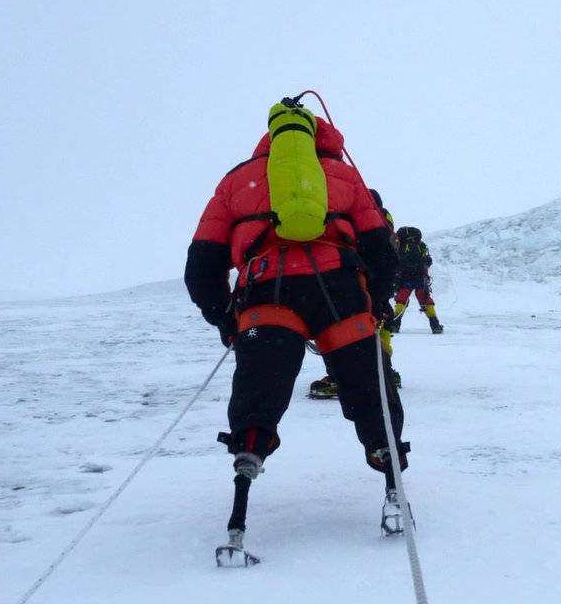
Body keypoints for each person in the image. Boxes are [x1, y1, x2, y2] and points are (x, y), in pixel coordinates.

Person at [185, 102, 410, 551]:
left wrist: (225, 316)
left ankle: (246, 468)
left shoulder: (238, 180)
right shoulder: (343, 176)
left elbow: (202, 263)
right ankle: (389, 469)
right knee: (368, 382)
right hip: (340, 289)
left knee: (260, 387)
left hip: (267, 290)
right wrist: (379, 301)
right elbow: (382, 249)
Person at [309, 189, 402, 399]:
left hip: (352, 283)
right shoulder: (383, 220)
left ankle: (337, 377)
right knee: (378, 323)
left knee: (339, 329)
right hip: (380, 283)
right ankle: (386, 372)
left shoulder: (349, 219)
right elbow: (388, 256)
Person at [388, 226, 443, 334]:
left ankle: (395, 325)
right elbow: (427, 261)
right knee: (425, 299)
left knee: (402, 299)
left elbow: (394, 259)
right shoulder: (421, 245)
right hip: (419, 277)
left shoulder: (401, 246)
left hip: (404, 277)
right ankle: (435, 325)